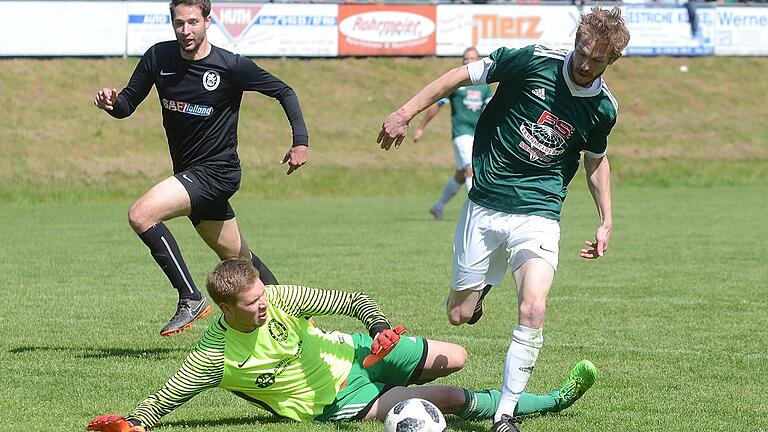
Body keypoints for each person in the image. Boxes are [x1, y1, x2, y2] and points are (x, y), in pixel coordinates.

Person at [377, 6, 629, 432]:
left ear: (611, 60)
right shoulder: (531, 60)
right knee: (458, 315)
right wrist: (405, 112)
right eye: (582, 51)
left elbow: (595, 160)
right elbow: (456, 77)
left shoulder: (603, 108)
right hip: (486, 204)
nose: (585, 63)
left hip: (540, 210)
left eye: (597, 59)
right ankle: (480, 292)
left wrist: (606, 219)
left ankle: (504, 415)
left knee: (533, 307)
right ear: (577, 41)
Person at [86, 258, 598, 432]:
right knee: (453, 398)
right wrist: (129, 422)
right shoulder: (215, 358)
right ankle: (552, 399)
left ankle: (402, 376)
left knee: (456, 355)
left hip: (355, 350)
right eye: (252, 303)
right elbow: (165, 401)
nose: (264, 305)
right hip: (341, 399)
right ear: (226, 310)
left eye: (263, 295)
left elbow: (353, 299)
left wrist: (376, 329)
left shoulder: (281, 295)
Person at [93, 0, 309, 337]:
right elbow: (126, 105)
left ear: (208, 20)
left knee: (141, 214)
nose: (185, 31)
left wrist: (300, 141)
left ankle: (190, 297)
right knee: (241, 259)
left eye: (193, 22)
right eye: (179, 23)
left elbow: (284, 90)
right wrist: (111, 103)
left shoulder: (230, 66)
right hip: (190, 174)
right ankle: (298, 321)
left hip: (217, 173)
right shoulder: (158, 58)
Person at [413, 47, 493, 221]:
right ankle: (477, 213)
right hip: (461, 133)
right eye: (465, 59)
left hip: (477, 135)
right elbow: (436, 105)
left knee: (460, 174)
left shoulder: (485, 88)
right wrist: (421, 127)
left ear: (478, 60)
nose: (468, 61)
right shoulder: (457, 84)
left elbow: (492, 111)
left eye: (472, 58)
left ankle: (438, 206)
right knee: (470, 169)